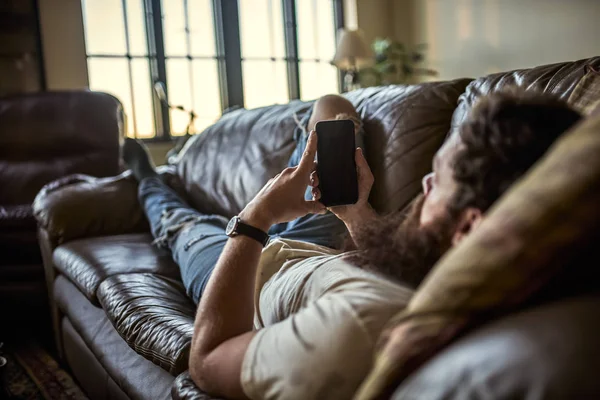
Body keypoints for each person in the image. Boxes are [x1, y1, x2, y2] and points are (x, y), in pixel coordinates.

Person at [122, 92, 581, 399]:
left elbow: (205, 362)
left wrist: (254, 219)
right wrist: (353, 209)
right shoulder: (470, 268)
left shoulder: (359, 328)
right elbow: (395, 266)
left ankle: (145, 174)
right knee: (333, 105)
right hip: (321, 247)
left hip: (254, 279)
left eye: (436, 180)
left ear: (468, 228)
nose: (422, 183)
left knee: (179, 219)